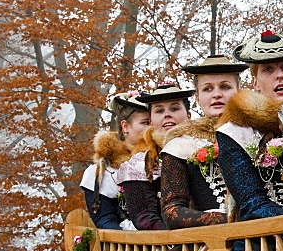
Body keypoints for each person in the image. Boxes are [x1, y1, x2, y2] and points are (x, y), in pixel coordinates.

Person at [215, 31, 283, 221]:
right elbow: (251, 201)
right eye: (268, 69)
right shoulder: (235, 131)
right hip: (269, 233)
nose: (280, 75)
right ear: (255, 82)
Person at [159, 54, 247, 230]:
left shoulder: (257, 134)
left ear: (238, 92)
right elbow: (172, 212)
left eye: (225, 86)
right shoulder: (180, 145)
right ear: (198, 98)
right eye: (207, 89)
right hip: (212, 241)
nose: (216, 94)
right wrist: (221, 219)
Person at [116, 81, 193, 230]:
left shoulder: (207, 148)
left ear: (188, 116)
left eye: (175, 108)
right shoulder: (139, 164)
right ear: (151, 121)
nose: (167, 115)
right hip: (166, 244)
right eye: (159, 111)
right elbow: (144, 219)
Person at [80, 91, 150, 230]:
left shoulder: (165, 160)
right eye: (145, 123)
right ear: (125, 126)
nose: (151, 128)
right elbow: (105, 220)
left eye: (153, 122)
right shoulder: (104, 171)